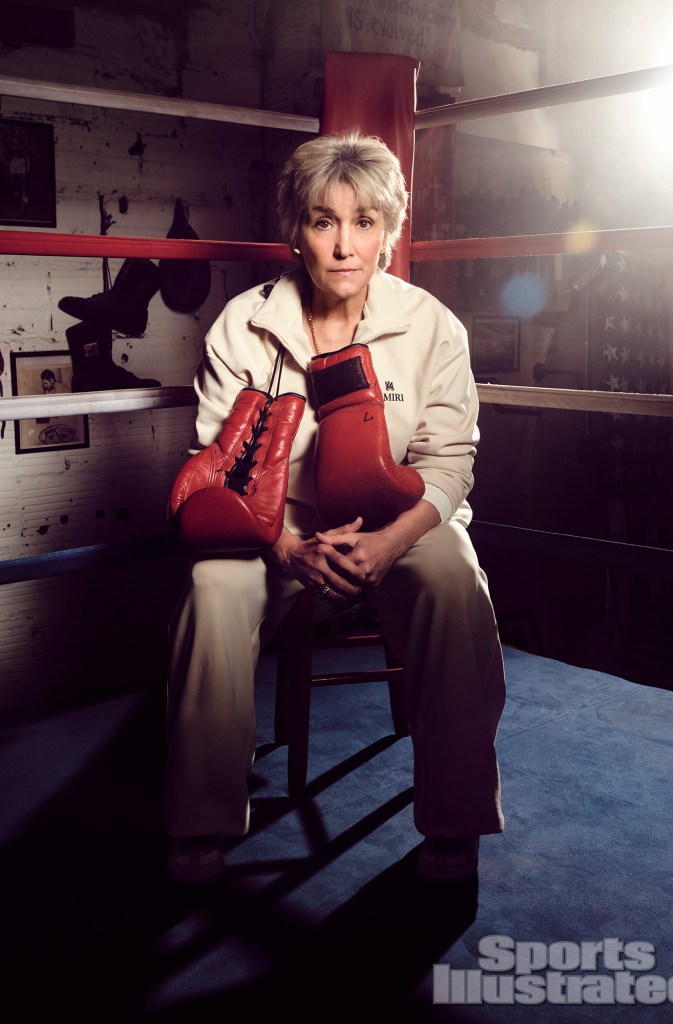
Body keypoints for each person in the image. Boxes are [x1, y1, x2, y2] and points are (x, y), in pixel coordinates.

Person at [165, 130, 506, 885]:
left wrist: (388, 545)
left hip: (396, 522)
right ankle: (201, 819)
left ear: (387, 232)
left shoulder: (429, 326)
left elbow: (450, 465)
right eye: (324, 221)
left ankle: (454, 819)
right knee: (211, 589)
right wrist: (287, 547)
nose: (344, 245)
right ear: (297, 230)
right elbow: (220, 474)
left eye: (363, 222)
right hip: (276, 526)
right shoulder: (243, 325)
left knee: (454, 577)